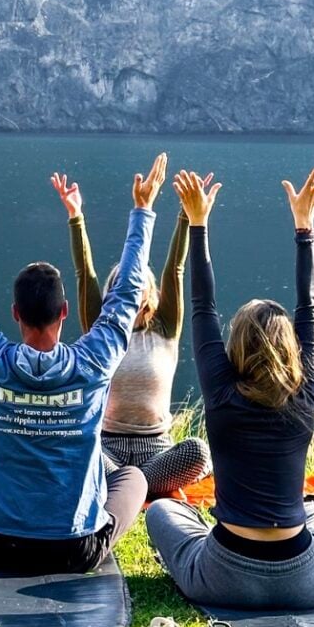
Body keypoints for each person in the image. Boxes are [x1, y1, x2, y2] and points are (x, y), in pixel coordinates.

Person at [0, 142, 160, 574]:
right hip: (74, 550)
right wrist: (142, 212)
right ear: (64, 313)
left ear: (15, 314)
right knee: (134, 479)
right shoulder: (93, 363)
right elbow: (128, 292)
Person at [146, 168, 314, 609]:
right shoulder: (306, 387)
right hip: (305, 583)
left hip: (223, 574)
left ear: (235, 345)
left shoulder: (221, 390)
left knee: (162, 511)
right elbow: (310, 307)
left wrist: (197, 223)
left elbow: (201, 305)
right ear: (292, 347)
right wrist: (304, 228)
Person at [51, 167, 210, 498]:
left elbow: (176, 270)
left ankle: (127, 488)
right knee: (75, 442)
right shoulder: (101, 329)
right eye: (121, 282)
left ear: (149, 291)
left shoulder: (165, 326)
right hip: (107, 449)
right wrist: (76, 216)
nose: (128, 287)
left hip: (159, 451)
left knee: (198, 451)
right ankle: (138, 488)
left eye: (136, 281)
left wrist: (187, 213)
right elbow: (84, 273)